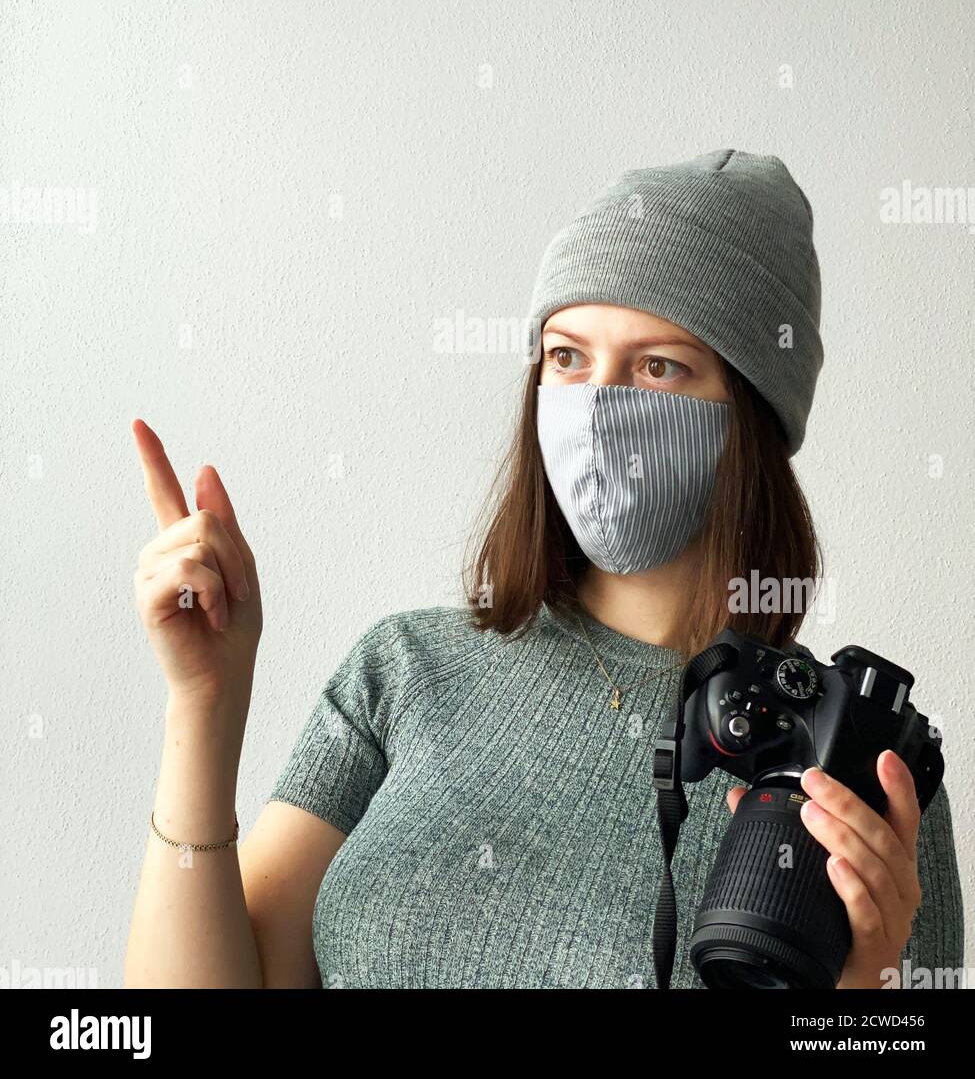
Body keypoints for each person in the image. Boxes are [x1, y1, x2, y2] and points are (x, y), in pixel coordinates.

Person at [124, 148, 964, 989]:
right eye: (566, 357)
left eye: (657, 365)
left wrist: (861, 999)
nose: (597, 406)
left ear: (750, 412)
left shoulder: (852, 764)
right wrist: (206, 700)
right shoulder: (406, 668)